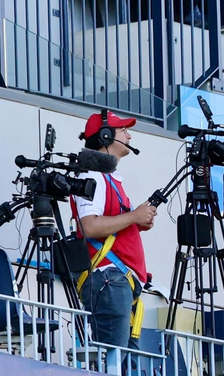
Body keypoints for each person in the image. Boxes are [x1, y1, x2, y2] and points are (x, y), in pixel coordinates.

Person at [72, 110, 157, 358]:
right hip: (109, 280)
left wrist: (135, 223)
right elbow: (89, 226)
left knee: (120, 362)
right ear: (106, 136)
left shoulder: (106, 177)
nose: (129, 136)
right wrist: (132, 217)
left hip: (117, 281)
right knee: (112, 361)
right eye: (124, 131)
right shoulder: (93, 175)